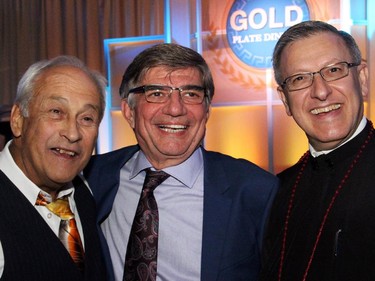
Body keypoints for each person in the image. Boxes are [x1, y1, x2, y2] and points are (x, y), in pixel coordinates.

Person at [83, 43, 279, 281]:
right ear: (129, 111)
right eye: (156, 93)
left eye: (191, 94)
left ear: (206, 111)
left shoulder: (255, 190)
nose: (176, 108)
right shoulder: (91, 177)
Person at [260, 20, 374, 281]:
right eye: (300, 79)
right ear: (285, 99)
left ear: (363, 78)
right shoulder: (276, 190)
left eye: (334, 70)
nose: (321, 92)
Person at [0, 55, 108, 280]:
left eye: (87, 118)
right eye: (56, 112)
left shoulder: (86, 191)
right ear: (18, 120)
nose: (72, 133)